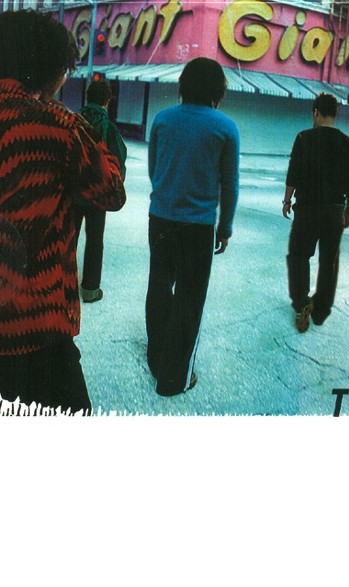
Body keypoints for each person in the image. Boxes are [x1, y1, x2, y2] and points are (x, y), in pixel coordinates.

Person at [0, 10, 126, 415]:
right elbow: (112, 191)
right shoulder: (59, 126)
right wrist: (86, 130)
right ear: (50, 71)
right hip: (36, 328)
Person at [146, 57, 239, 397]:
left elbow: (155, 169)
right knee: (189, 296)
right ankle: (174, 378)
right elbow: (229, 185)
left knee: (159, 286)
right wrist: (225, 227)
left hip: (160, 218)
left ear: (183, 85)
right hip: (198, 226)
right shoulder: (226, 128)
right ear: (218, 90)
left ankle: (157, 358)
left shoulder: (162, 120)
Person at [283, 93, 349, 333]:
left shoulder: (303, 138)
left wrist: (287, 200)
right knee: (329, 260)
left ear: (315, 112)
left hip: (307, 209)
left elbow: (293, 173)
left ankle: (301, 303)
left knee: (299, 255)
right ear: (335, 114)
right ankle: (321, 309)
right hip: (335, 211)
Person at [75, 79, 127, 303]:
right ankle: (90, 290)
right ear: (107, 101)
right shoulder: (109, 129)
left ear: (87, 98)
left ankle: (63, 286)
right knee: (95, 240)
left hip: (72, 193)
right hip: (98, 194)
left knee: (68, 239)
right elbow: (119, 160)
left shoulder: (73, 122)